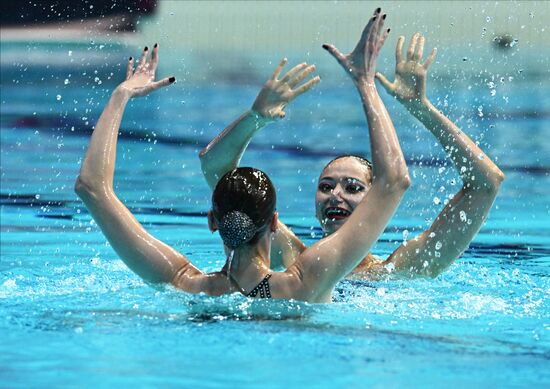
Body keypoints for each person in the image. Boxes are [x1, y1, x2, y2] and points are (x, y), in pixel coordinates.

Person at [74, 12, 410, 303]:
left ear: (212, 221)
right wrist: (365, 83)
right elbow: (393, 181)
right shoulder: (304, 283)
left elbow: (92, 188)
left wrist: (121, 95)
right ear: (274, 223)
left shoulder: (186, 284)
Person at [200, 10, 505, 279]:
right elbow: (218, 170)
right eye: (326, 186)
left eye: (353, 187)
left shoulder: (402, 270)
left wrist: (421, 108)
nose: (335, 195)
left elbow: (486, 183)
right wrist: (255, 119)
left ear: (375, 196)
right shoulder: (295, 261)